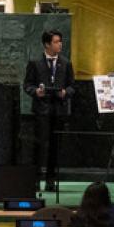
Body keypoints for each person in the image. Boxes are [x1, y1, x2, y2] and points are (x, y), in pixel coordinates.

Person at [23, 30, 74, 191]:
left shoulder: (66, 63)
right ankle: (36, 179)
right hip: (41, 110)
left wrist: (66, 93)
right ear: (47, 44)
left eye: (60, 41)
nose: (60, 44)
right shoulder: (35, 63)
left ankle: (51, 180)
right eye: (56, 41)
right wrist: (36, 92)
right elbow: (27, 85)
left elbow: (72, 86)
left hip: (58, 110)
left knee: (55, 147)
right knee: (39, 145)